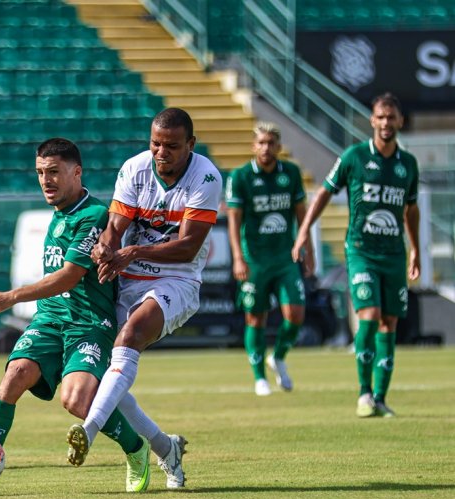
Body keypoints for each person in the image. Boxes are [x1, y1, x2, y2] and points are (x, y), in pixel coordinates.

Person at [0, 137, 183, 496]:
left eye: (54, 172)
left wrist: (11, 297)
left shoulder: (94, 216)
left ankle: (137, 449)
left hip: (88, 324)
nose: (45, 180)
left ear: (76, 172)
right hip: (50, 319)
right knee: (13, 377)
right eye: (40, 173)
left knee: (77, 401)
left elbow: (69, 275)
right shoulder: (55, 217)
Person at [66, 108, 222, 477]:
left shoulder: (207, 177)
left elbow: (187, 247)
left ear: (191, 145)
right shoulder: (135, 169)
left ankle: (87, 431)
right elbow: (115, 230)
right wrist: (106, 247)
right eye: (155, 144)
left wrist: (132, 252)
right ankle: (166, 447)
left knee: (131, 334)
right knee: (107, 374)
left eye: (171, 146)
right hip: (129, 276)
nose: (161, 153)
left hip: (177, 279)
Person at [293, 92, 420, 418]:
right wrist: (305, 229)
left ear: (400, 121)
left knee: (390, 322)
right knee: (370, 314)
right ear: (372, 120)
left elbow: (411, 209)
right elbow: (324, 192)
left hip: (393, 254)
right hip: (361, 252)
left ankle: (379, 397)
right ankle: (363, 393)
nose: (386, 123)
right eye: (380, 117)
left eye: (392, 117)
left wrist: (415, 249)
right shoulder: (354, 156)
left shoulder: (408, 165)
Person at [226, 122, 314, 396]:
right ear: (254, 146)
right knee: (256, 317)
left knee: (295, 314)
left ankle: (278, 357)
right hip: (255, 260)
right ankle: (259, 378)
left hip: (285, 257)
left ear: (278, 146)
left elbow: (302, 216)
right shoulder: (241, 177)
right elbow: (233, 221)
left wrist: (307, 250)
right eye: (261, 143)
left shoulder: (291, 173)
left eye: (271, 143)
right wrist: (238, 258)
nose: (266, 148)